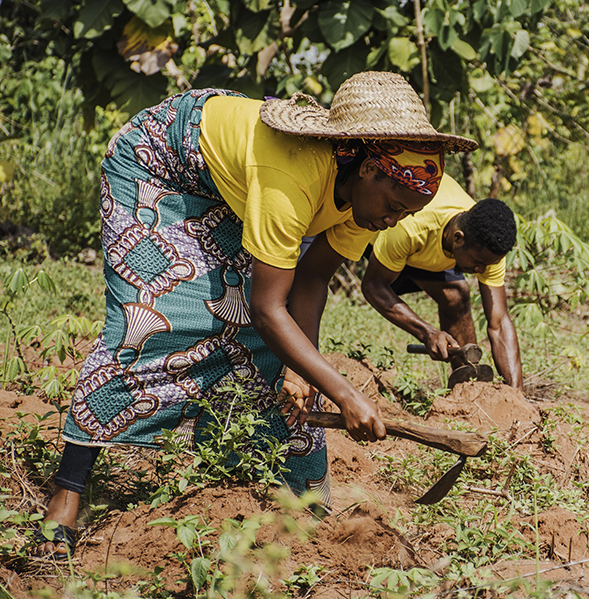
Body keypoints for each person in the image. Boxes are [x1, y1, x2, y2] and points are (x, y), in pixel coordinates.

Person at [33, 71, 477, 557]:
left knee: (276, 353)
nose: (392, 222)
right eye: (393, 206)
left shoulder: (365, 204)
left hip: (235, 187)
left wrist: (298, 370)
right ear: (368, 170)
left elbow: (310, 281)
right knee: (151, 322)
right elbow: (270, 309)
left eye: (404, 216)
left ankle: (302, 502)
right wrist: (345, 393)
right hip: (159, 164)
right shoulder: (293, 176)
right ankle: (67, 494)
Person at [361, 192, 522, 388]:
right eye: (477, 263)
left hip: (425, 249)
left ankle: (468, 389)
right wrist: (428, 333)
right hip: (381, 239)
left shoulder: (490, 246)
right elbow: (373, 286)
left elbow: (499, 323)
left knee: (455, 296)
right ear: (458, 238)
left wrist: (517, 394)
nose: (481, 270)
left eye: (487, 265)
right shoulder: (411, 228)